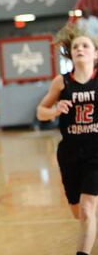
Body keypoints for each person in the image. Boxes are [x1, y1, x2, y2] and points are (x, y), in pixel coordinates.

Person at [37, 24, 98, 255]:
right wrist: (54, 110)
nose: (80, 49)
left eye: (85, 45)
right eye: (75, 46)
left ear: (95, 53)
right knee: (78, 212)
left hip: (96, 151)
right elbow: (40, 111)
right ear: (70, 53)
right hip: (70, 152)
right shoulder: (61, 82)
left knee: (87, 208)